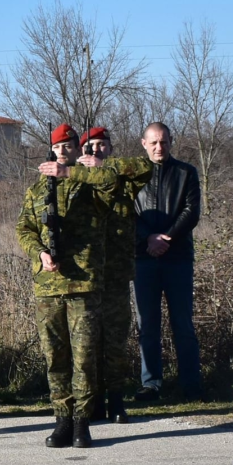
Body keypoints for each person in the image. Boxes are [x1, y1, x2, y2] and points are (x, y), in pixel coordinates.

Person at [16, 124, 123, 448]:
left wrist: (69, 173)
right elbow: (24, 228)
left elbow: (111, 182)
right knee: (55, 357)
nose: (63, 151)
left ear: (78, 149)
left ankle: (82, 422)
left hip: (83, 284)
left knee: (84, 357)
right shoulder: (37, 189)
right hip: (48, 287)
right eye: (58, 147)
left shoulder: (90, 183)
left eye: (69, 146)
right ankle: (62, 419)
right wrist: (39, 253)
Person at [79, 127, 150, 423]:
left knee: (116, 339)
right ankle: (92, 401)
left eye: (103, 145)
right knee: (88, 341)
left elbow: (145, 166)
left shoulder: (124, 179)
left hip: (117, 272)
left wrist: (105, 167)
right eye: (91, 146)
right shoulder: (75, 179)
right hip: (85, 274)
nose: (97, 151)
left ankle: (117, 401)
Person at [133, 122, 203, 403]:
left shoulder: (186, 172)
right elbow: (127, 212)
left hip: (178, 258)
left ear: (171, 141)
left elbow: (191, 211)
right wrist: (147, 238)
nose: (159, 147)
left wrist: (167, 239)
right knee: (147, 324)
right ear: (144, 143)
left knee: (182, 323)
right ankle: (151, 384)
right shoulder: (134, 176)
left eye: (163, 142)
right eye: (153, 143)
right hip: (143, 258)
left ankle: (191, 384)